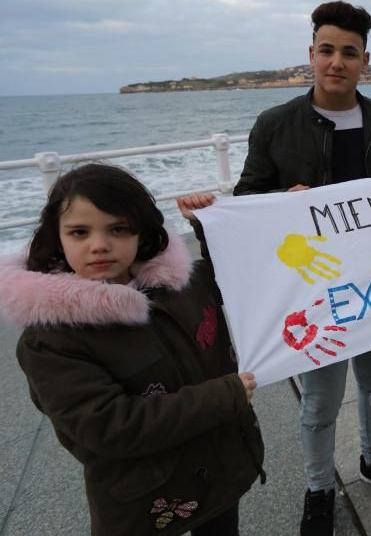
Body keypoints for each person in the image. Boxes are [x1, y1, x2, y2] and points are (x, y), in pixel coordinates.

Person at [234, 0, 371, 536]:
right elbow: (247, 201)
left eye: (349, 53)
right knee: (319, 399)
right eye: (327, 50)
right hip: (313, 285)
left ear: (366, 60)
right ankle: (318, 488)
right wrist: (280, 203)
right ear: (310, 55)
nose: (337, 62)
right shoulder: (274, 124)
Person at [0, 164, 264, 536]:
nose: (99, 244)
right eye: (79, 232)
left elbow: (235, 276)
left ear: (142, 232)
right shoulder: (51, 339)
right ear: (57, 238)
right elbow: (109, 425)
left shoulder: (180, 285)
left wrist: (210, 223)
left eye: (118, 229)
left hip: (219, 469)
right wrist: (225, 395)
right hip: (145, 499)